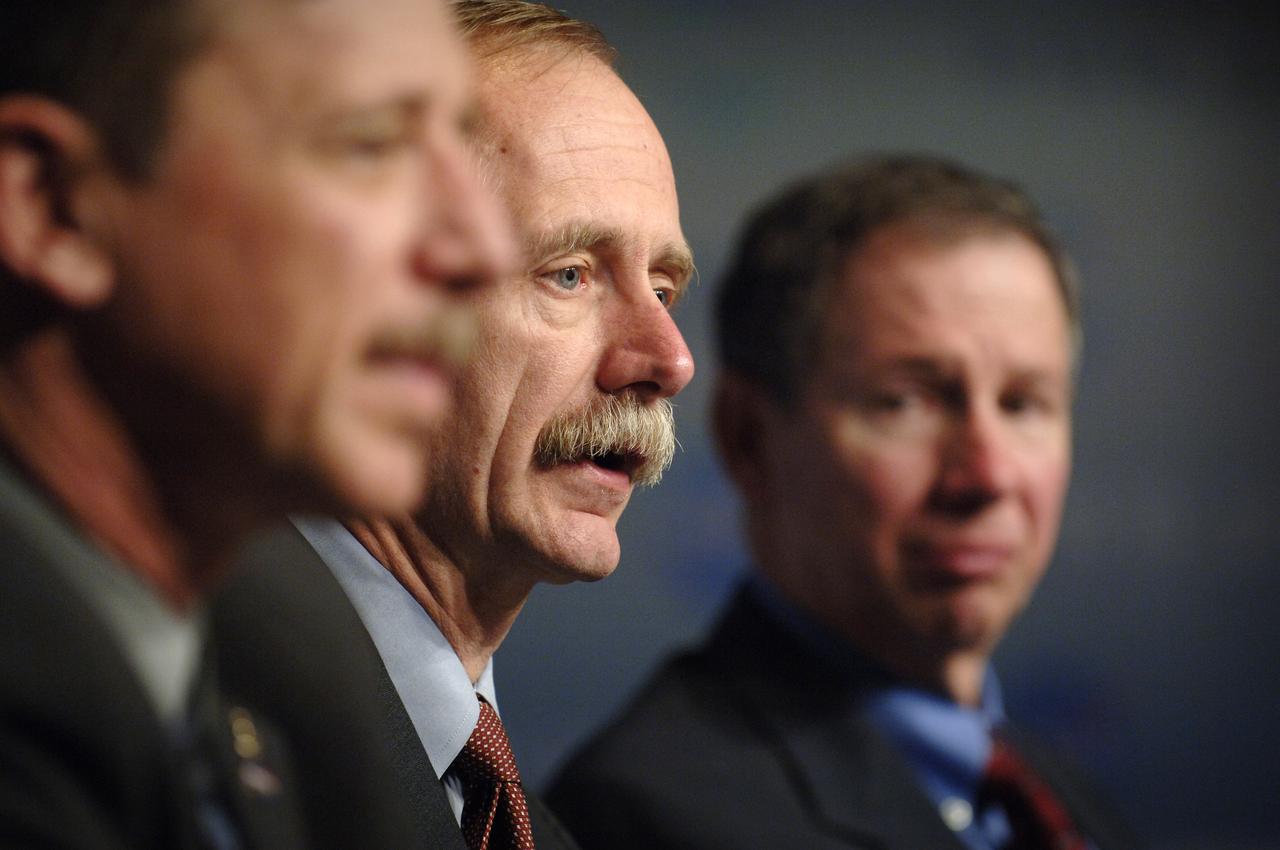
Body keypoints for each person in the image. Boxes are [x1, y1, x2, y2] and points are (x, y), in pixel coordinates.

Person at [0, 0, 509, 846]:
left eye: (458, 141)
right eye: (372, 144)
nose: (482, 248)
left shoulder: (243, 696)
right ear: (55, 207)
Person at [547, 156, 1143, 849]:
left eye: (1024, 403)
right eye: (906, 401)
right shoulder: (646, 818)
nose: (987, 475)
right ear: (748, 438)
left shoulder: (1062, 802)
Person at [212, 1, 695, 848]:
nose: (666, 358)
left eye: (662, 288)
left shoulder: (525, 827)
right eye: (571, 274)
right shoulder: (184, 721)